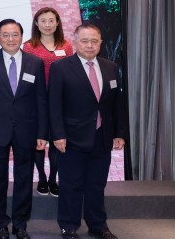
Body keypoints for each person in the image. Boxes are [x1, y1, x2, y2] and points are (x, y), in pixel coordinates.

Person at [48, 23, 127, 239]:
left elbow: (116, 104)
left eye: (94, 41)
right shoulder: (61, 67)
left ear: (100, 43)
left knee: (96, 184)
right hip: (71, 138)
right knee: (70, 184)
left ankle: (98, 224)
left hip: (102, 137)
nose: (89, 45)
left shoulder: (110, 67)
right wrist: (57, 134)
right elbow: (54, 104)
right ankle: (69, 226)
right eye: (84, 41)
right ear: (74, 42)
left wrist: (119, 133)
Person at [0, 19, 47, 239]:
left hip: (26, 130)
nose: (11, 39)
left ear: (22, 37)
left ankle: (20, 223)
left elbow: (41, 100)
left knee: (24, 177)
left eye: (15, 34)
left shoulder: (35, 63)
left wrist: (42, 133)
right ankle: (0, 222)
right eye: (6, 35)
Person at [22, 7, 75, 197]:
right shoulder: (29, 46)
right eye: (43, 21)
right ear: (36, 23)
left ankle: (53, 178)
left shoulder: (66, 46)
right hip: (37, 100)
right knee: (39, 139)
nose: (47, 25)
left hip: (61, 100)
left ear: (57, 23)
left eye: (51, 20)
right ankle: (42, 178)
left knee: (57, 140)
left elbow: (71, 72)